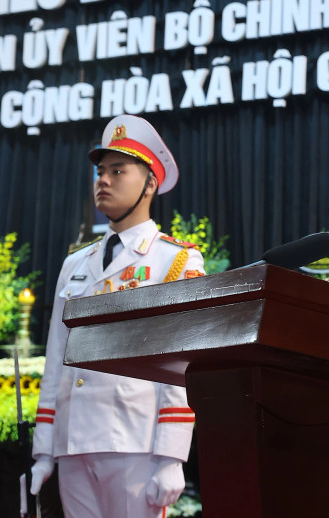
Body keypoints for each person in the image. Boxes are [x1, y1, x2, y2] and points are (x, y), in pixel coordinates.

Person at [29, 114, 205, 518]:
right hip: (73, 441)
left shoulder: (174, 259)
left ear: (150, 184)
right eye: (100, 171)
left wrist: (171, 455)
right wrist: (44, 449)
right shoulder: (76, 263)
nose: (103, 180)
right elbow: (56, 358)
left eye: (118, 170)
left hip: (134, 440)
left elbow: (182, 362)